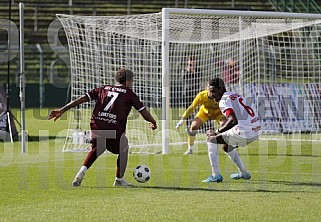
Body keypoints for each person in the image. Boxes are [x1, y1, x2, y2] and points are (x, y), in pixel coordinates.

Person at [48, 68, 157, 187]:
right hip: (114, 128)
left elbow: (81, 99)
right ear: (128, 81)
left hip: (97, 125)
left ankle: (81, 172)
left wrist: (62, 109)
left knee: (97, 148)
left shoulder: (103, 89)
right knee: (124, 146)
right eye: (132, 81)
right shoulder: (130, 94)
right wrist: (153, 121)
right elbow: (143, 112)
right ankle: (119, 180)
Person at [202, 77, 261, 183]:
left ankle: (215, 175)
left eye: (213, 91)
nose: (211, 95)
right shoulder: (235, 94)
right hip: (256, 130)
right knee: (226, 146)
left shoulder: (224, 101)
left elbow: (233, 120)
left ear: (220, 89)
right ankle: (244, 173)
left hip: (245, 132)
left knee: (212, 139)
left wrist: (218, 132)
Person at [176, 82, 227, 155]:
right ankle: (190, 149)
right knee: (194, 126)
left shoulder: (222, 96)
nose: (212, 92)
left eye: (213, 90)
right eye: (210, 89)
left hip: (219, 113)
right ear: (207, 88)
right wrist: (182, 119)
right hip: (205, 113)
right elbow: (192, 107)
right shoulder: (201, 95)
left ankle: (226, 146)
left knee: (225, 125)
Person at [181, 55, 202, 131]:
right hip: (187, 92)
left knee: (197, 110)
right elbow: (183, 78)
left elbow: (199, 78)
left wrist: (193, 71)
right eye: (190, 60)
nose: (192, 62)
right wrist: (189, 70)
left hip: (195, 92)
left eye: (193, 60)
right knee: (188, 110)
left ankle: (196, 126)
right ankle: (188, 126)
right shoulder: (184, 70)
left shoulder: (198, 70)